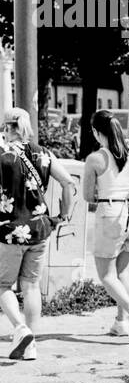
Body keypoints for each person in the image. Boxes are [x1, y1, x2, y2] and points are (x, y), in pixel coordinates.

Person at [0, 107, 75, 362]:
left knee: (1, 285)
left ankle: (20, 329)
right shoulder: (43, 153)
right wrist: (64, 215)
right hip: (40, 230)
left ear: (7, 127)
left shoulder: (2, 154)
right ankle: (31, 345)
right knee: (31, 286)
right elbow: (68, 182)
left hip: (10, 231)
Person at [82, 110, 129, 342]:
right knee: (121, 272)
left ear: (97, 132)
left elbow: (88, 196)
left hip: (111, 214)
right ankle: (120, 323)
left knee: (107, 275)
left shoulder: (96, 159)